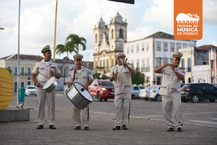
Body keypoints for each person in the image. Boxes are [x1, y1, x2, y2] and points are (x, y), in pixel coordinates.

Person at [154, 52, 185, 132]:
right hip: (165, 92)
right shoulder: (166, 68)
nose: (177, 61)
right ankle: (170, 125)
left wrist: (174, 70)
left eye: (179, 60)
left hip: (175, 92)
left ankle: (179, 125)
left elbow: (181, 78)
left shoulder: (181, 70)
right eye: (176, 59)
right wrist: (163, 66)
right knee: (165, 110)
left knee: (177, 109)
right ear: (172, 60)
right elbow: (156, 71)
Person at [32, 45, 61, 129]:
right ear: (44, 54)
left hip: (50, 87)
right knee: (40, 104)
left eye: (50, 52)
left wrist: (54, 74)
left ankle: (51, 123)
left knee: (51, 105)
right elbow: (33, 75)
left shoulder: (54, 64)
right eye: (48, 53)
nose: (50, 54)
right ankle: (40, 123)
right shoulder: (38, 64)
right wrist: (36, 82)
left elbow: (59, 75)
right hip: (41, 87)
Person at [109, 52, 136, 130]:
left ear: (124, 59)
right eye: (118, 58)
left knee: (126, 107)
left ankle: (124, 123)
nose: (119, 60)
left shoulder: (129, 66)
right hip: (118, 90)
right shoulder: (114, 68)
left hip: (127, 90)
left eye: (121, 58)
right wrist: (113, 77)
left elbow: (134, 73)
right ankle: (117, 124)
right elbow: (110, 79)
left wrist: (126, 65)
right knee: (117, 107)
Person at [67, 54, 94, 130]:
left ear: (81, 61)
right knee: (75, 110)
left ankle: (86, 124)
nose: (78, 62)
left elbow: (91, 79)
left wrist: (87, 84)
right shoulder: (72, 72)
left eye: (79, 61)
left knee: (85, 109)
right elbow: (69, 83)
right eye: (77, 61)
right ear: (74, 62)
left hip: (85, 93)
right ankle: (77, 124)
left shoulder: (86, 70)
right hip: (75, 94)